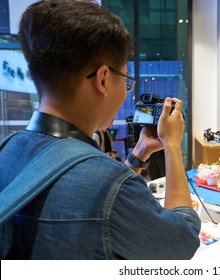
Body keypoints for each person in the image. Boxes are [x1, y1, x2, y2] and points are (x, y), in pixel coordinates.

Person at [0, 0, 200, 259]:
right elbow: (181, 241)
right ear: (103, 79)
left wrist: (139, 152)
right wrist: (172, 144)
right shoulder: (110, 183)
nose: (126, 90)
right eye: (126, 81)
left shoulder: (6, 150)